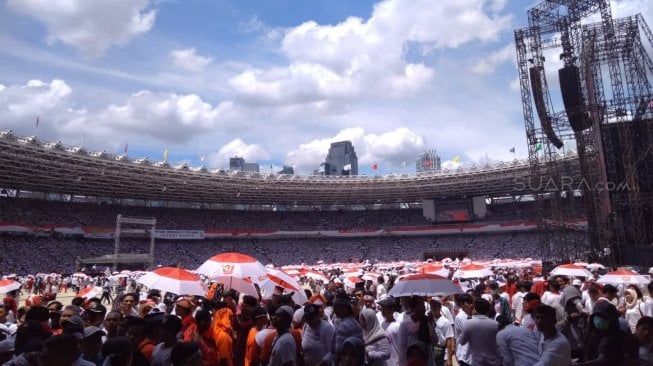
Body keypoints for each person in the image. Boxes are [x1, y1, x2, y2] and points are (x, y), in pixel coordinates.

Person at [458, 298, 501, 366]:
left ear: (475, 309)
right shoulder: (496, 324)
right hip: (494, 362)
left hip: (477, 362)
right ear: (488, 310)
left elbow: (462, 342)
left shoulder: (468, 323)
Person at [428, 299, 454, 366]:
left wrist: (449, 358)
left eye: (436, 306)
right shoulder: (428, 320)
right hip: (429, 348)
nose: (434, 308)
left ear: (440, 307)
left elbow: (449, 341)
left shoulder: (445, 322)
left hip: (439, 349)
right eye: (432, 306)